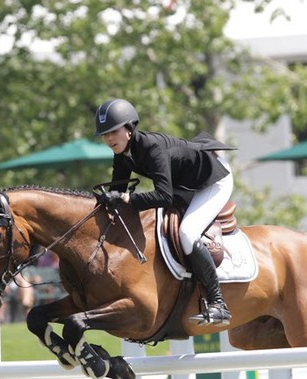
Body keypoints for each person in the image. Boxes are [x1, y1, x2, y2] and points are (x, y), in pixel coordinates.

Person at [94, 98, 234, 325]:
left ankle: (218, 303)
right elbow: (117, 191)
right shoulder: (122, 155)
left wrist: (127, 199)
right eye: (104, 134)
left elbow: (163, 196)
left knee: (187, 233)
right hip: (187, 185)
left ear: (129, 129)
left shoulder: (151, 148)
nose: (108, 139)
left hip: (213, 180)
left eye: (113, 132)